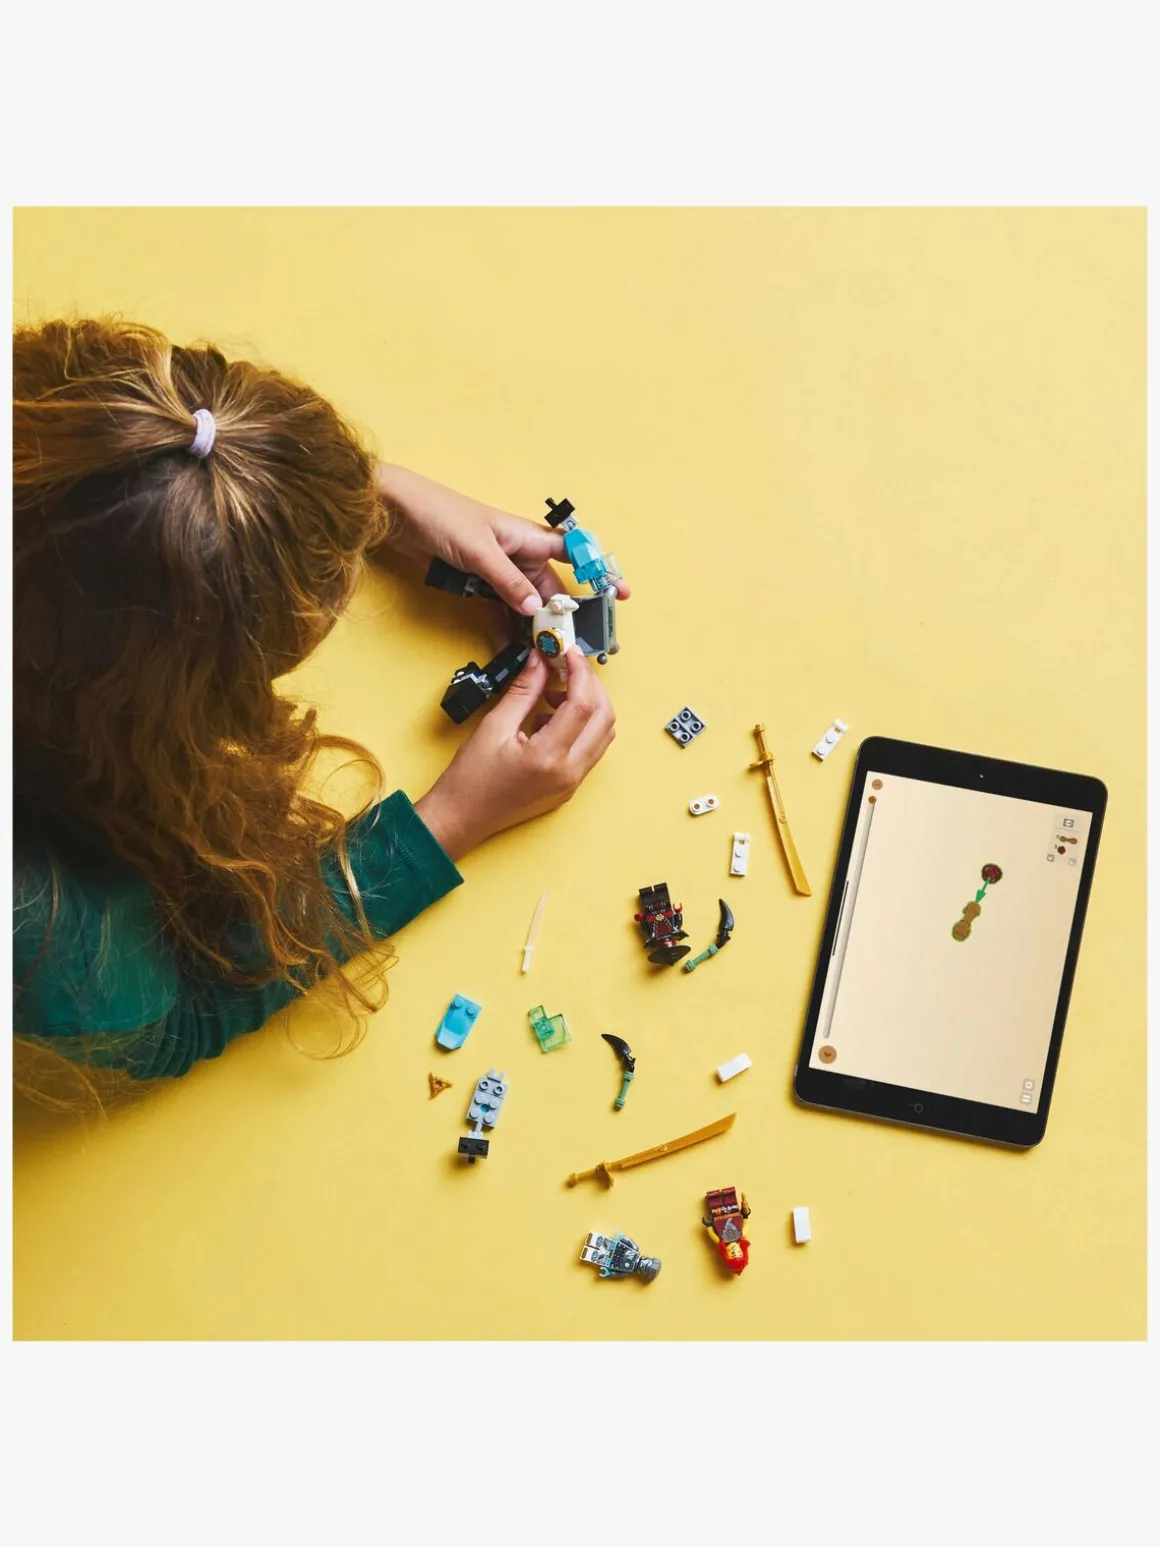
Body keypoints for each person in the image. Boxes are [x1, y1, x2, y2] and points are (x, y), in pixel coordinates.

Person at [12, 318, 625, 1092]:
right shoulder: (34, 912)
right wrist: (450, 821)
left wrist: (341, 497)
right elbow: (173, 1019)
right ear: (176, 712)